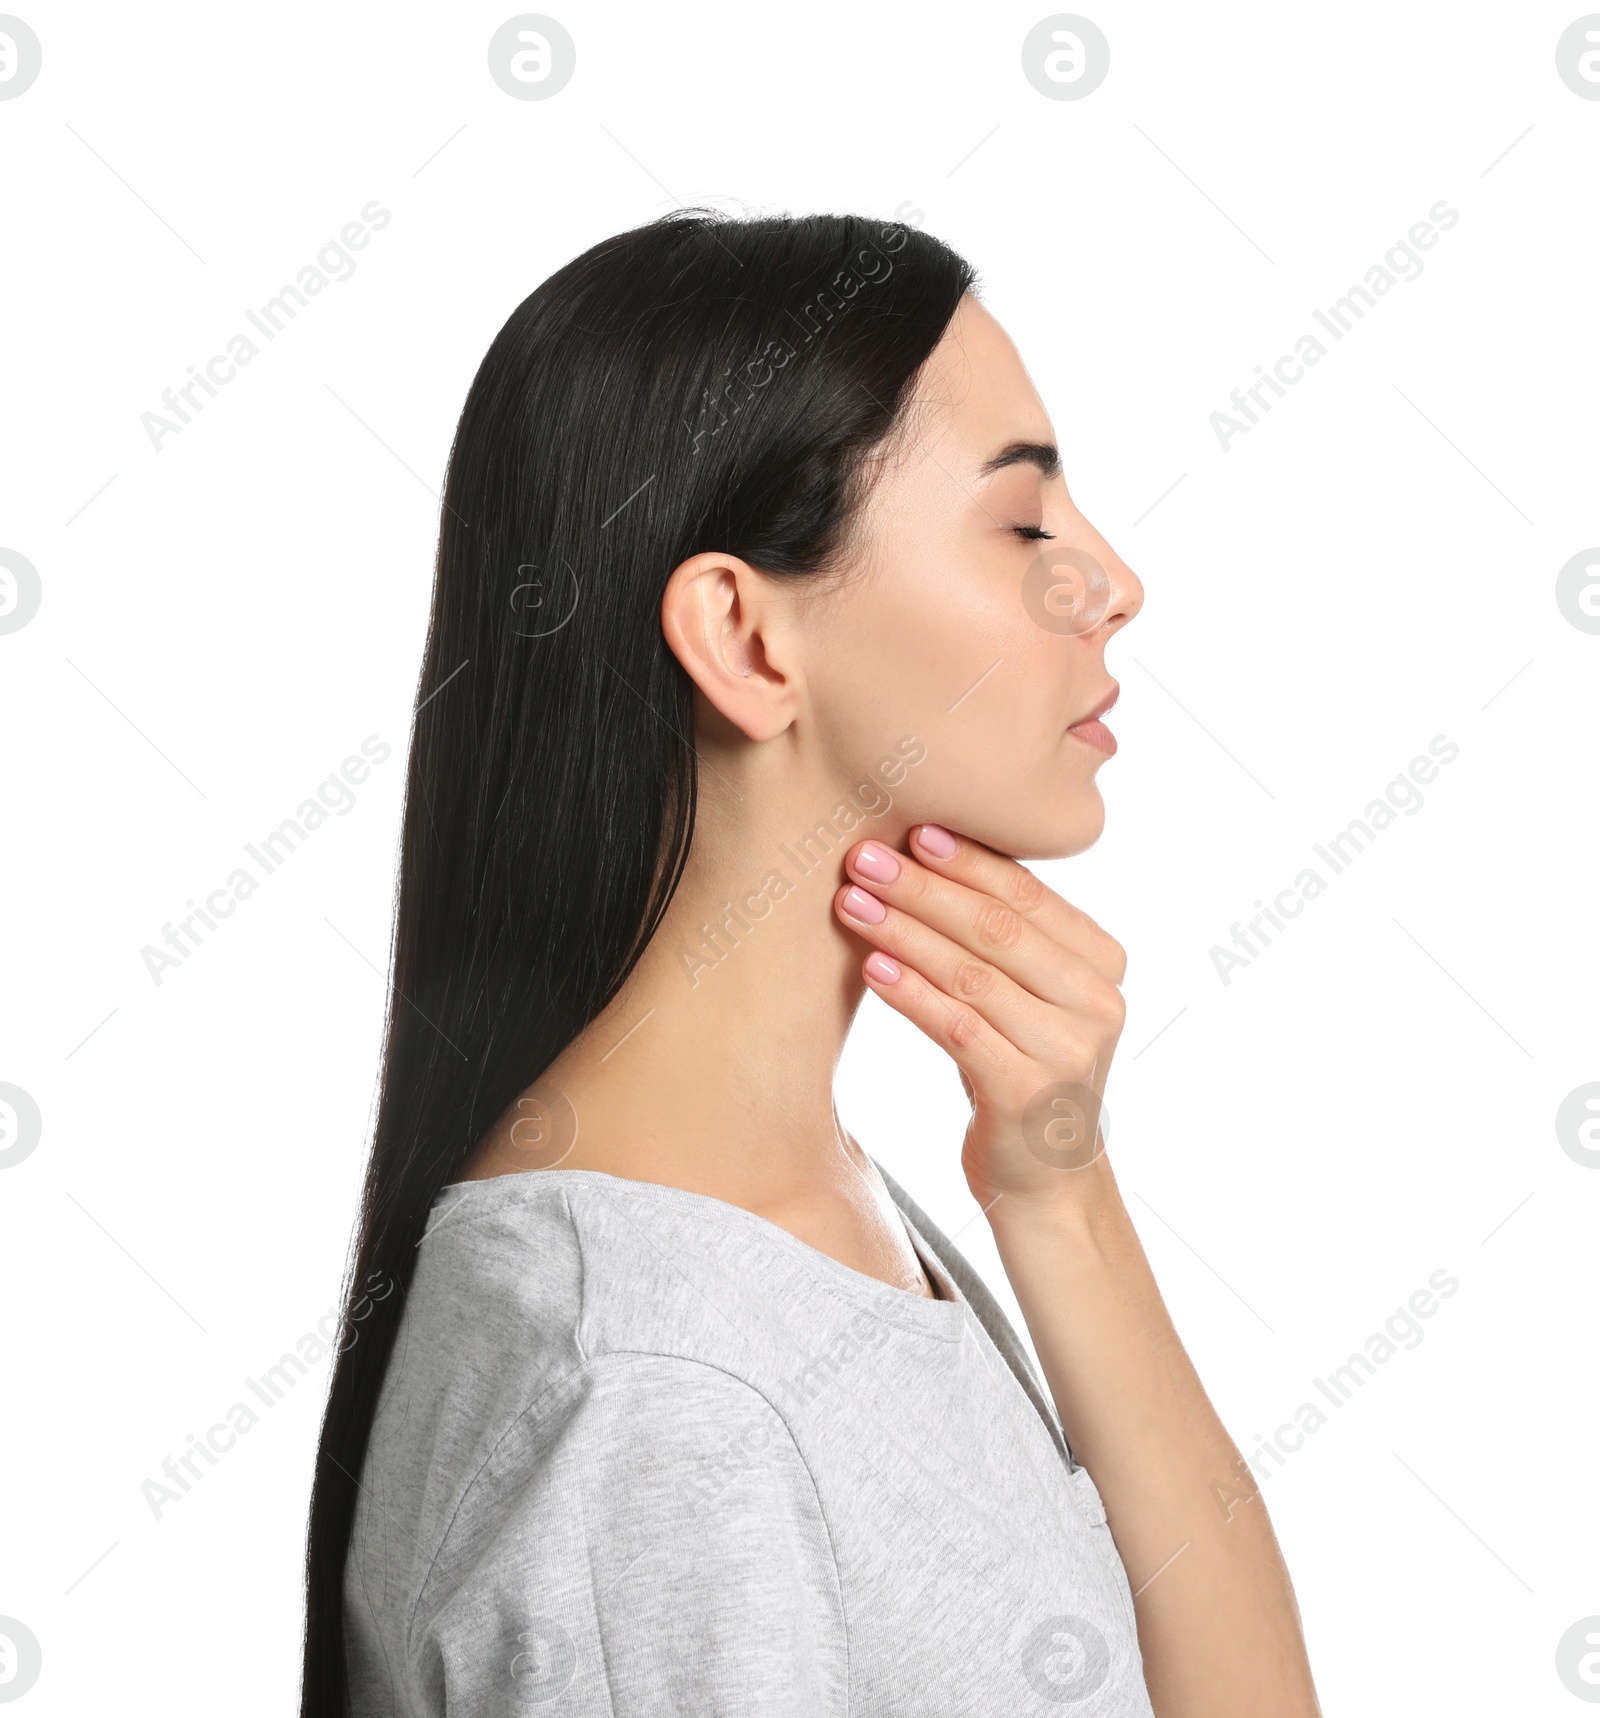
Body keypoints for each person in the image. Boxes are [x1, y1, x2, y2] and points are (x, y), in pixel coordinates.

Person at [301, 208, 1321, 1716]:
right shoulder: (653, 1394)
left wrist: (1061, 1191)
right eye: (1024, 521)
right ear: (746, 637)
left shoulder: (811, 1209)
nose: (1112, 579)